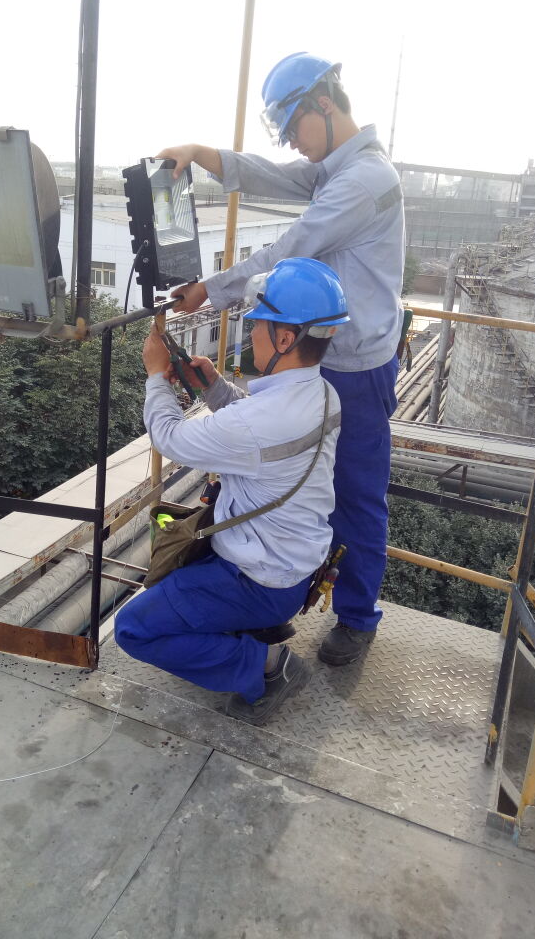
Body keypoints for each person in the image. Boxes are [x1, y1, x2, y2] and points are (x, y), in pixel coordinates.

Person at [156, 52, 404, 666]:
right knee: (293, 486)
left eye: (294, 126)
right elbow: (272, 174)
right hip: (320, 357)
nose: (293, 142)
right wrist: (201, 152)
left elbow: (292, 249)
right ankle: (276, 594)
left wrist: (211, 290)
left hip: (357, 366)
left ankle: (357, 617)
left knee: (354, 494)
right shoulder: (337, 168)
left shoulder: (364, 180)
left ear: (324, 103)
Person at [115, 258, 346, 724]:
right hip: (294, 566)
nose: (251, 331)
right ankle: (245, 636)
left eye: (258, 323)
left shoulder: (261, 422)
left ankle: (266, 667)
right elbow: (261, 434)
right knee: (174, 591)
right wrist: (215, 388)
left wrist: (156, 375)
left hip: (258, 580)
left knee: (133, 628)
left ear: (285, 338)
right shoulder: (323, 394)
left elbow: (170, 438)